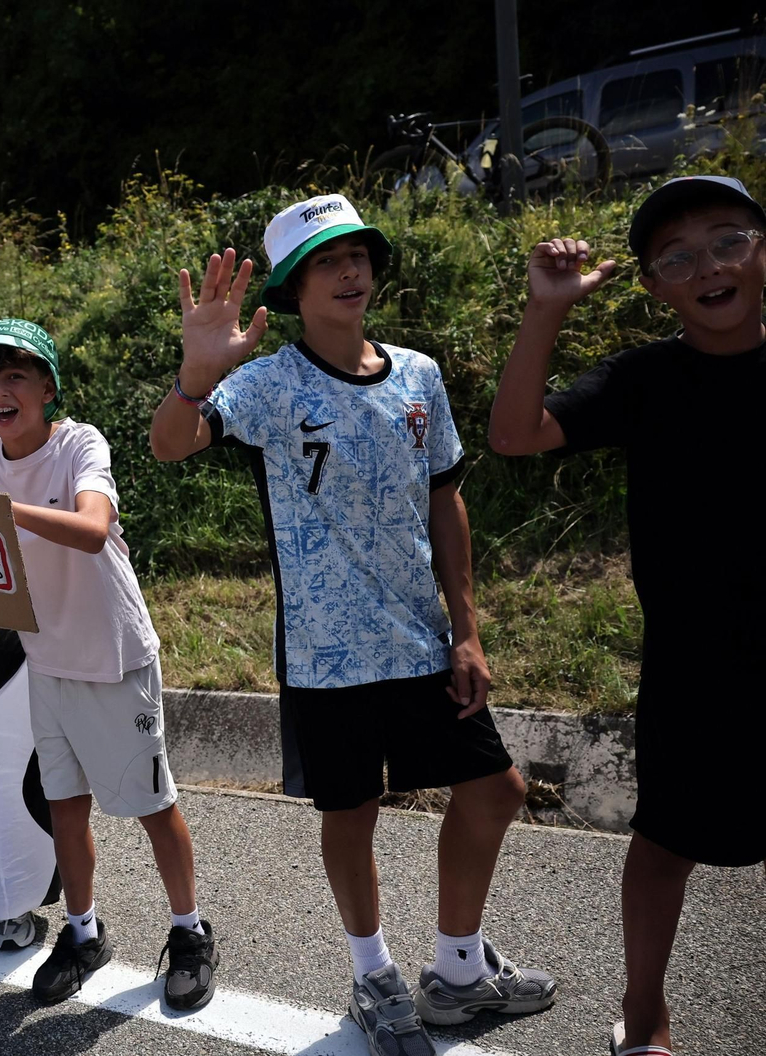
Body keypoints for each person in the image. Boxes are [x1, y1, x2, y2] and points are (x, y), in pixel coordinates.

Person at [149, 194, 554, 1053]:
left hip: (418, 640)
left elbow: (447, 502)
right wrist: (196, 373)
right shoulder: (265, 383)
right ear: (294, 288)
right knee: (354, 809)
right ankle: (373, 972)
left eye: (359, 255)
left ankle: (455, 970)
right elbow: (170, 445)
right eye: (328, 262)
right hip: (327, 656)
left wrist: (467, 628)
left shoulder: (419, 376)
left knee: (496, 792)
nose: (351, 271)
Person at [488, 175, 766, 1056]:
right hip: (694, 662)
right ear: (652, 284)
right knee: (664, 844)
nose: (708, 266)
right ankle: (645, 1014)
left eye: (728, 240)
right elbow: (514, 433)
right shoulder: (646, 379)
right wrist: (547, 310)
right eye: (676, 256)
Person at [0, 319, 216, 1009]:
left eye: (15, 377)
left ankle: (190, 931)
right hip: (47, 660)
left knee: (153, 805)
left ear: (47, 388)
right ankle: (84, 932)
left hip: (114, 657)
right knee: (66, 808)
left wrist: (1, 507)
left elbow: (93, 530)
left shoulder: (78, 443)